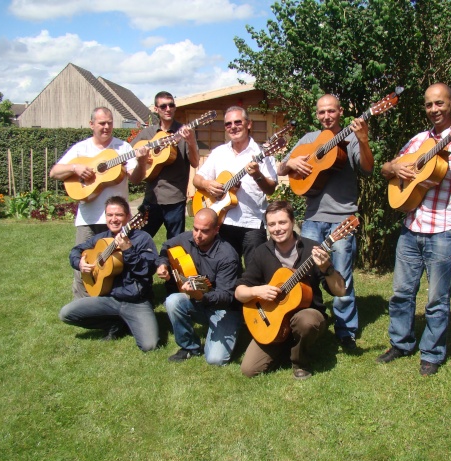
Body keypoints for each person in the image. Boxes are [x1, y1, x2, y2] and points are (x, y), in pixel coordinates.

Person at [377, 83, 451, 376]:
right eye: (428, 105)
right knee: (401, 292)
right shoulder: (419, 140)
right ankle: (400, 343)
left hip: (444, 230)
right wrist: (395, 169)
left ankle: (432, 354)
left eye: (439, 103)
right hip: (412, 227)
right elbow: (386, 168)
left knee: (437, 299)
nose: (434, 109)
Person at [277, 94, 374, 350]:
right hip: (312, 217)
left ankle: (346, 332)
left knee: (341, 274)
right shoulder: (309, 139)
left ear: (340, 112)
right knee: (305, 273)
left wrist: (363, 141)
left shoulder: (351, 138)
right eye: (321, 112)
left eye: (331, 111)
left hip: (343, 218)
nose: (326, 116)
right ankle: (306, 323)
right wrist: (290, 162)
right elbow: (279, 168)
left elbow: (367, 168)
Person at [235, 200, 346, 380]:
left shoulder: (312, 249)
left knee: (307, 322)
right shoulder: (261, 252)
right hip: (274, 319)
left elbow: (340, 292)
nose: (277, 228)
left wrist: (328, 269)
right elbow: (239, 292)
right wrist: (257, 291)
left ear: (293, 222)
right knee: (249, 370)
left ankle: (299, 361)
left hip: (305, 316)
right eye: (272, 224)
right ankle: (283, 345)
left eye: (282, 222)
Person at [50, 106, 147, 298]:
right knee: (84, 264)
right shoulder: (81, 148)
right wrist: (75, 167)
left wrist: (142, 161)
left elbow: (136, 178)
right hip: (88, 218)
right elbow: (54, 172)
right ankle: (82, 307)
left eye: (110, 123)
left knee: (114, 267)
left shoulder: (123, 148)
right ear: (91, 124)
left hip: (116, 219)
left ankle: (112, 309)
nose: (106, 127)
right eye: (102, 123)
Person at [58, 196, 159, 352]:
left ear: (129, 217)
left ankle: (129, 321)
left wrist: (128, 249)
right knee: (66, 314)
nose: (113, 219)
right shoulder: (101, 238)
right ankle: (114, 323)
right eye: (109, 215)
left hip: (136, 301)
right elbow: (76, 250)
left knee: (149, 345)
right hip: (108, 298)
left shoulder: (142, 239)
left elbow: (146, 270)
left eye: (118, 215)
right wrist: (79, 262)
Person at [193, 106, 277, 270]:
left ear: (248, 124)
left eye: (238, 122)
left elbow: (270, 189)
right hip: (222, 220)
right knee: (227, 268)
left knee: (255, 270)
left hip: (251, 222)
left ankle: (252, 296)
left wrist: (257, 175)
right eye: (228, 124)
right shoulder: (219, 152)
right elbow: (197, 178)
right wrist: (207, 185)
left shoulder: (262, 153)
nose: (233, 126)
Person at [156, 208, 242, 366]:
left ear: (216, 230)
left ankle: (235, 331)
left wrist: (201, 297)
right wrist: (163, 265)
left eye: (204, 231)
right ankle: (189, 347)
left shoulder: (227, 256)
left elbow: (226, 297)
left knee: (215, 360)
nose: (197, 235)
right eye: (195, 229)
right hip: (200, 302)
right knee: (173, 301)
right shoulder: (186, 239)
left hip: (225, 310)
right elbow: (165, 246)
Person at [131, 91, 200, 239]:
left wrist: (192, 142)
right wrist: (142, 158)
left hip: (175, 199)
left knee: (175, 245)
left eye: (171, 105)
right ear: (156, 109)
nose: (168, 109)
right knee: (139, 240)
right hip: (151, 198)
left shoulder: (184, 132)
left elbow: (195, 162)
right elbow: (129, 153)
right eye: (163, 106)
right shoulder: (147, 134)